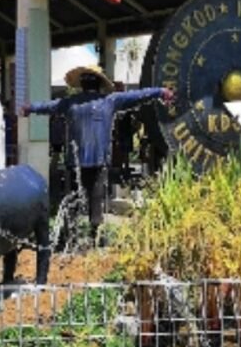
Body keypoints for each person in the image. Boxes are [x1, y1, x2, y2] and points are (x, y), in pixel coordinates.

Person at [21, 65, 174, 244]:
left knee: (75, 199)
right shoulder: (110, 100)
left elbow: (47, 107)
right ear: (100, 84)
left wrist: (30, 108)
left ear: (82, 84)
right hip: (99, 159)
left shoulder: (71, 102)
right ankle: (94, 237)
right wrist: (160, 92)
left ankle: (70, 237)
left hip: (76, 161)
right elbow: (138, 96)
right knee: (96, 199)